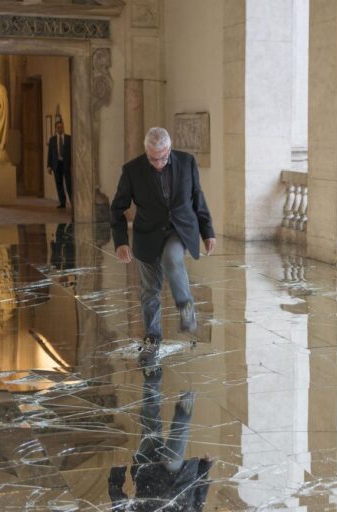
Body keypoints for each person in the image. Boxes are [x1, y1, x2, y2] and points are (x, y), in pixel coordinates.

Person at [110, 127, 216, 366]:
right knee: (150, 292)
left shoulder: (187, 162)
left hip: (179, 230)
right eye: (152, 158)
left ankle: (186, 307)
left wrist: (207, 231)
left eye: (162, 157)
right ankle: (152, 338)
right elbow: (117, 209)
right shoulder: (132, 170)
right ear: (146, 151)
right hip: (147, 235)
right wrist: (120, 242)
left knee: (171, 258)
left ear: (169, 149)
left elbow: (198, 198)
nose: (158, 163)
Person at [108, 366, 214, 511]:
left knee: (151, 423)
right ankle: (183, 407)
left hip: (148, 471)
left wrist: (117, 474)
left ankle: (152, 377)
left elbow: (119, 506)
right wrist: (204, 468)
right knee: (169, 433)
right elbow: (197, 504)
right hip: (172, 476)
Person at [47, 120, 73, 209]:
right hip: (56, 164)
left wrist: (72, 164)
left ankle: (73, 202)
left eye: (61, 127)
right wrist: (49, 166)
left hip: (66, 164)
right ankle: (62, 202)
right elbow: (50, 153)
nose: (60, 129)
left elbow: (72, 153)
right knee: (59, 184)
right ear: (55, 128)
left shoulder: (68, 138)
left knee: (69, 184)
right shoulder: (52, 140)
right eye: (58, 127)